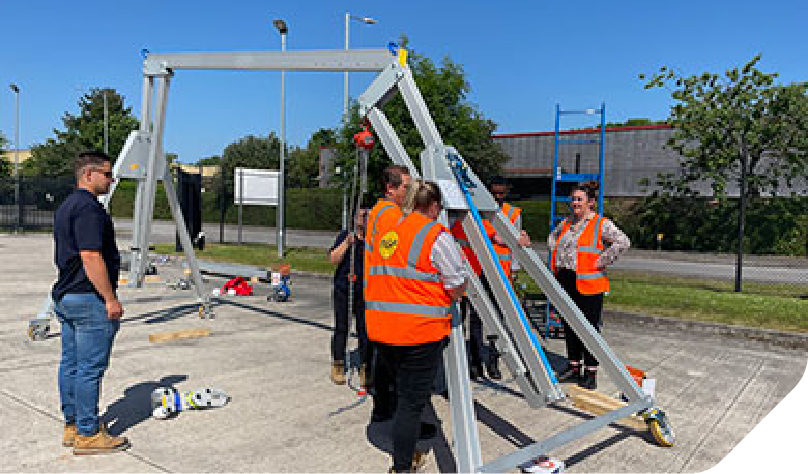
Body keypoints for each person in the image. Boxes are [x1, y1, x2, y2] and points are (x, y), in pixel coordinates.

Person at [365, 180, 468, 474]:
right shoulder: (436, 236)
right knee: (412, 403)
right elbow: (455, 283)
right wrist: (462, 288)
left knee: (403, 397)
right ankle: (401, 466)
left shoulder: (388, 230)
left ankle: (406, 447)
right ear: (434, 206)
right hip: (419, 333)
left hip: (384, 329)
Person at [52, 151, 129, 455]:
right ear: (88, 175)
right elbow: (90, 255)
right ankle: (87, 433)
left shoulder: (67, 206)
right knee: (89, 369)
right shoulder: (88, 209)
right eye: (107, 175)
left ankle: (72, 425)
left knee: (71, 364)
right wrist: (110, 299)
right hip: (88, 299)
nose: (112, 180)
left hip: (66, 296)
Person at [548, 182, 630, 390]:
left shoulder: (600, 223)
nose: (574, 203)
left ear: (591, 202)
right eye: (573, 199)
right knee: (570, 326)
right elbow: (552, 239)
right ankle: (574, 367)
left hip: (589, 284)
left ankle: (590, 372)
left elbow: (623, 242)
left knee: (589, 329)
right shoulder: (567, 222)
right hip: (565, 280)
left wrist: (602, 261)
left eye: (579, 199)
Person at [450, 177, 531, 381]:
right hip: (475, 271)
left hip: (499, 274)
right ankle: (475, 364)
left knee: (497, 321)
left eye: (501, 194)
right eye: (494, 193)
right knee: (475, 320)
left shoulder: (512, 214)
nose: (497, 198)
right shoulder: (471, 213)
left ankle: (493, 362)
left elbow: (513, 243)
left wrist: (514, 269)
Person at [364, 165, 411, 420]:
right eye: (406, 186)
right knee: (393, 363)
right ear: (390, 188)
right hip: (387, 296)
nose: (411, 191)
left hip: (380, 295)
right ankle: (389, 411)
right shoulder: (390, 214)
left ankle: (383, 408)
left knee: (385, 359)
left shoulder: (380, 212)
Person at [328, 208, 370, 386]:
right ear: (354, 218)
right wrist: (347, 243)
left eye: (367, 216)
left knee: (365, 330)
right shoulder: (346, 235)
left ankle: (365, 366)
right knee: (342, 326)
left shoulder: (372, 240)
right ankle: (338, 363)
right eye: (362, 215)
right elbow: (333, 259)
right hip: (344, 289)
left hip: (364, 290)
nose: (365, 218)